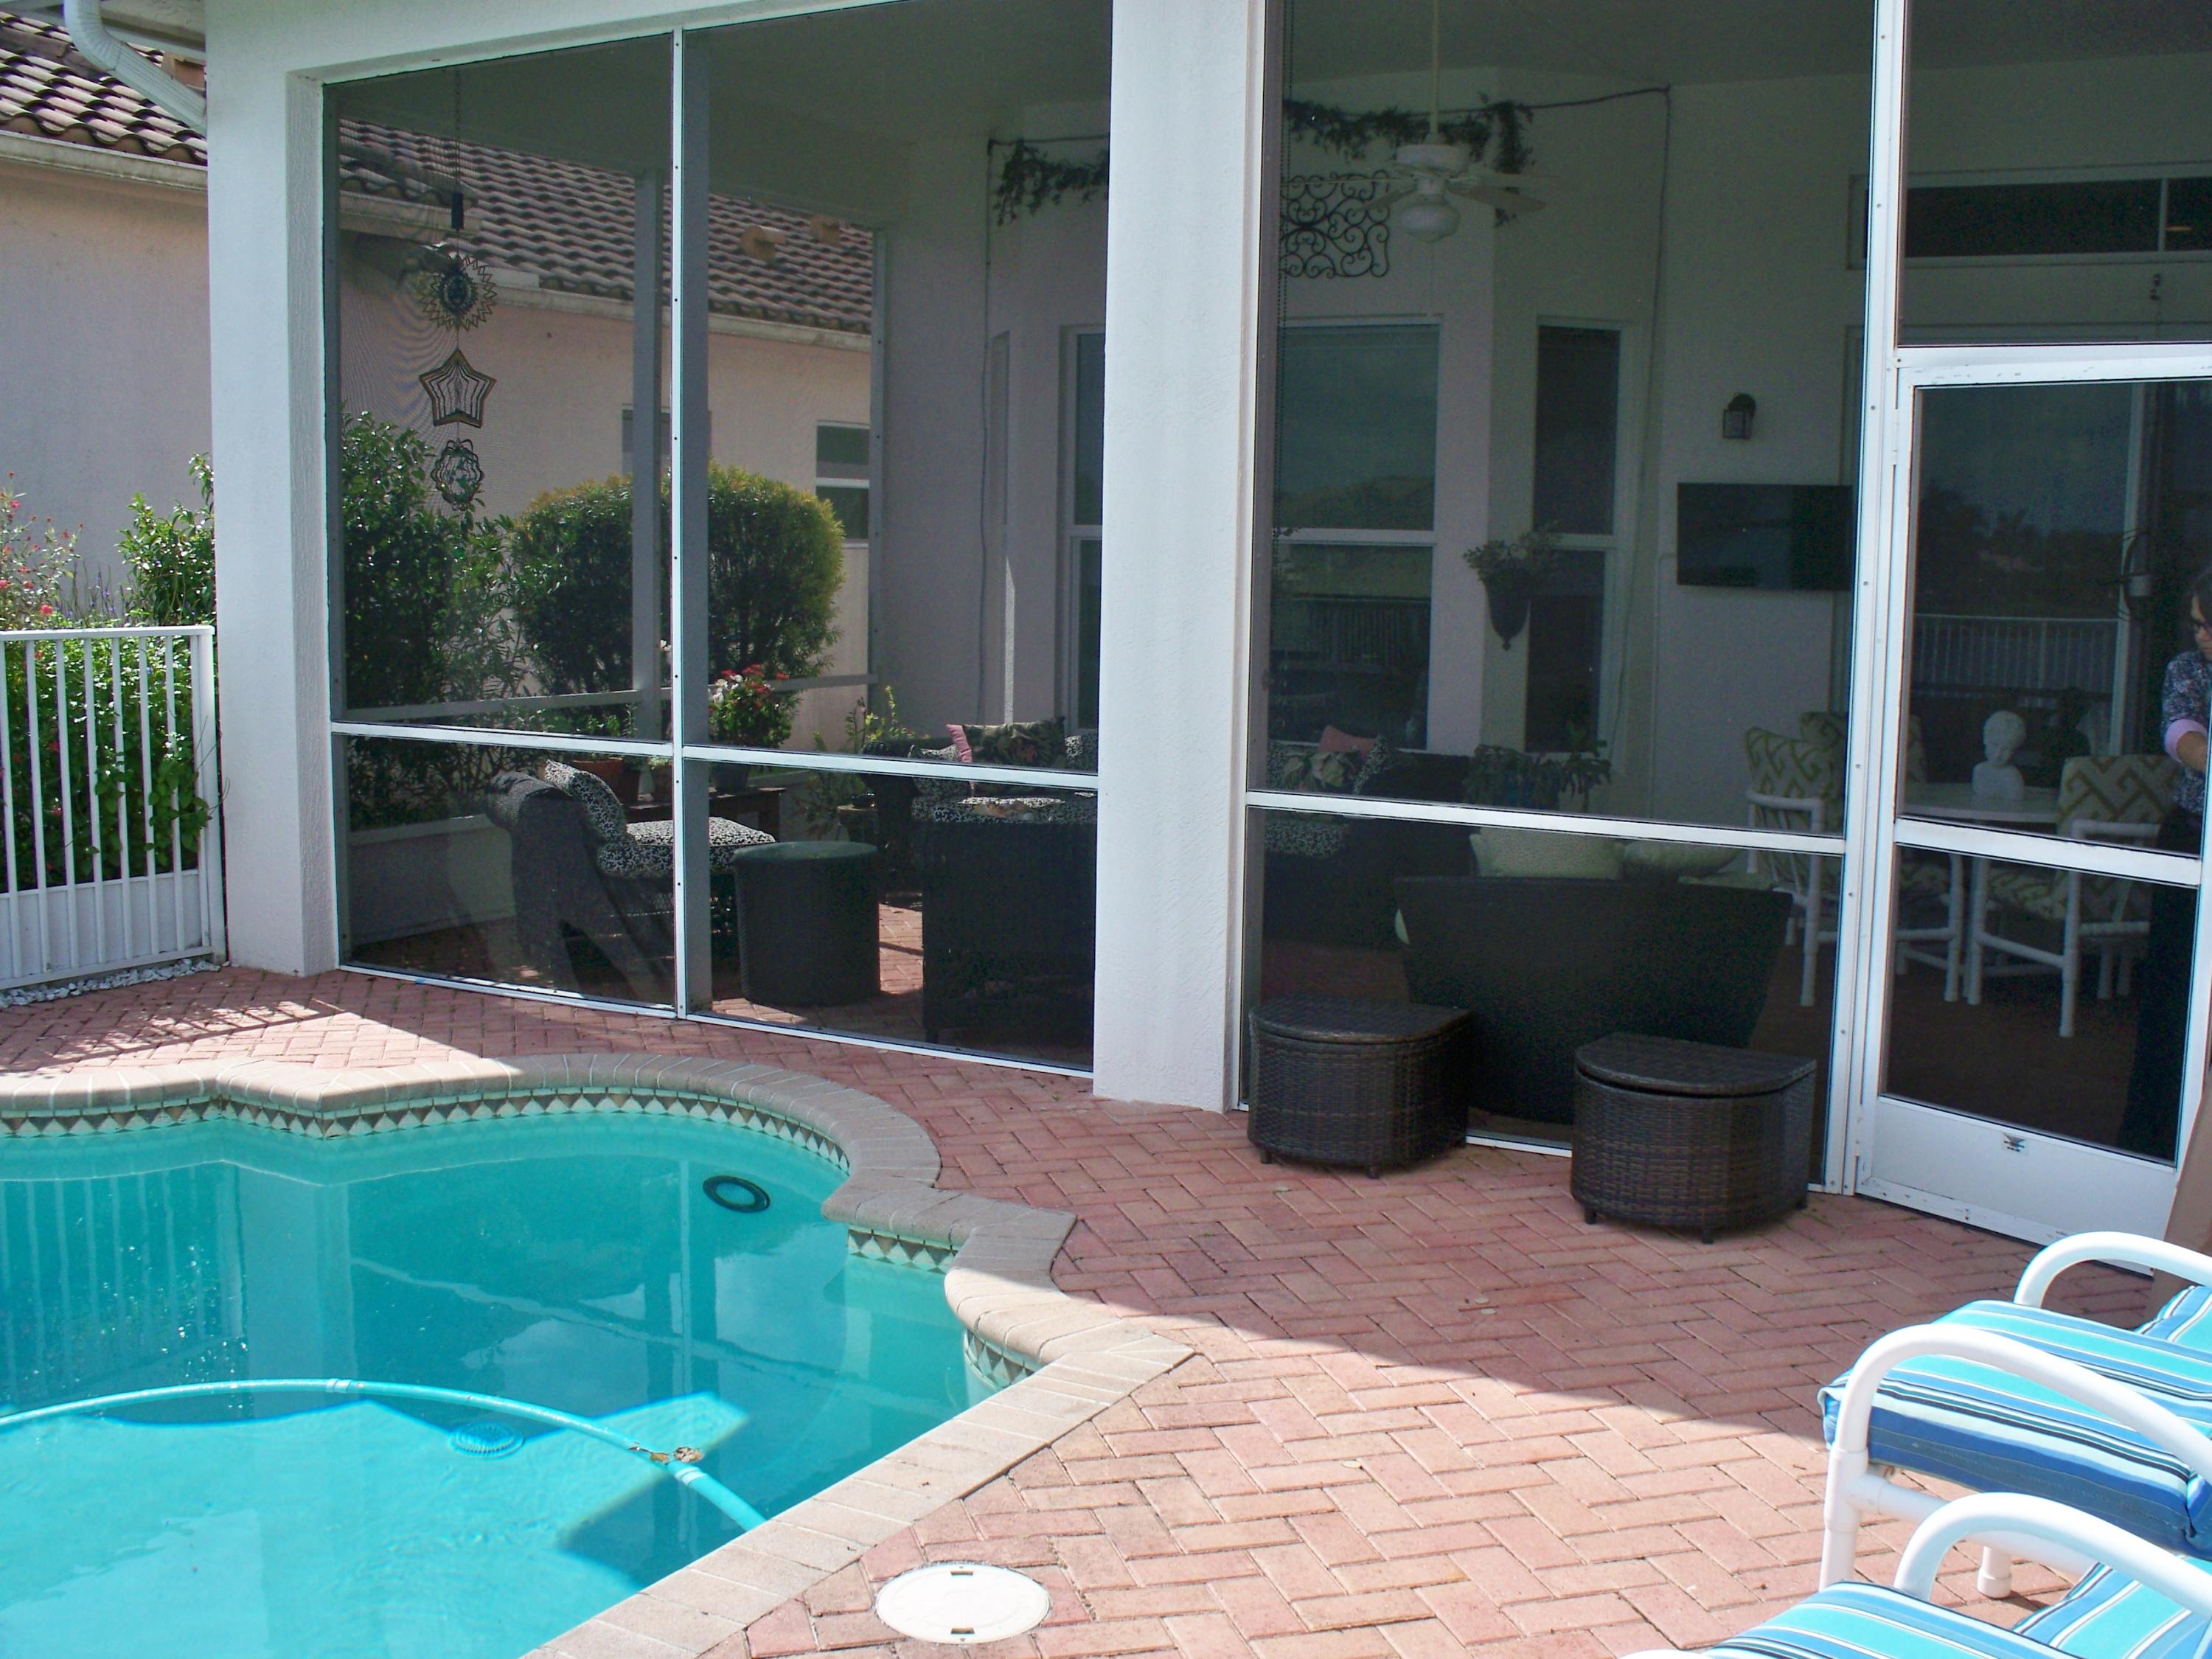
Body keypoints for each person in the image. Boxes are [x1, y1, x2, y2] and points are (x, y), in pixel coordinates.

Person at [2119, 566, 2212, 1158]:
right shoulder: (2189, 670)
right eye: (2197, 624)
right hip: (2192, 835)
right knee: (2174, 988)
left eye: (2210, 625)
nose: (2201, 635)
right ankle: (2153, 1138)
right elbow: (2183, 737)